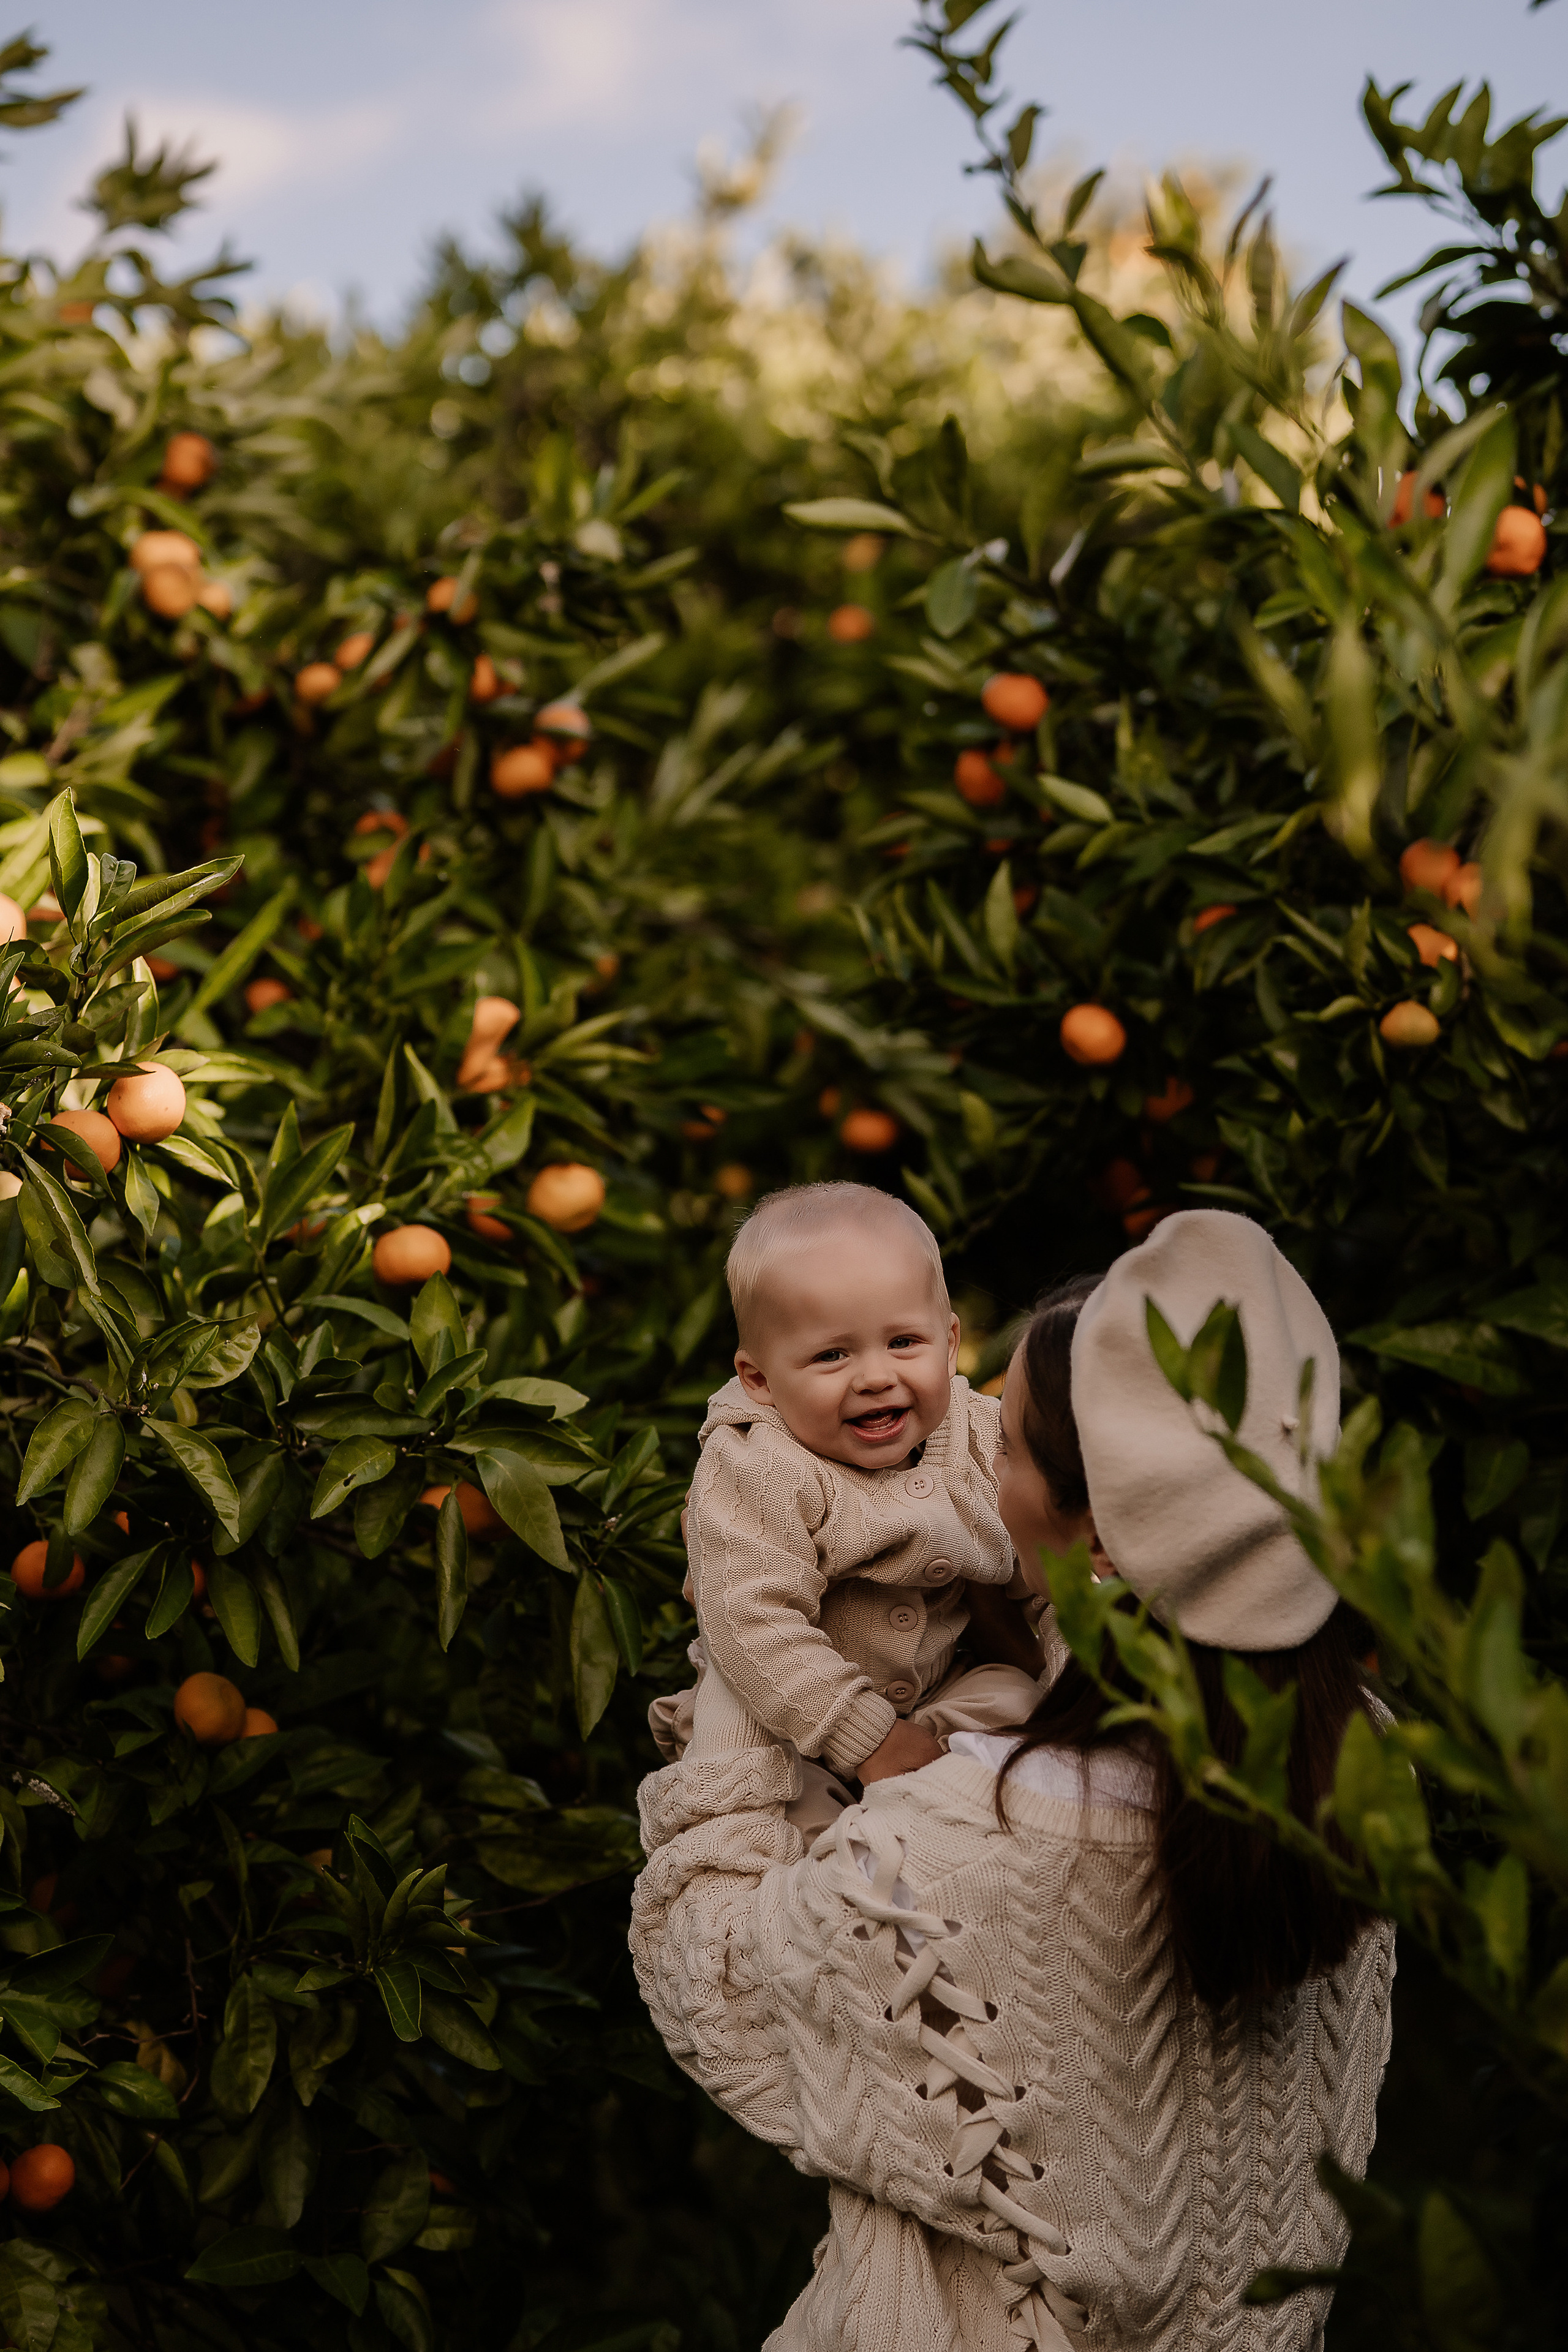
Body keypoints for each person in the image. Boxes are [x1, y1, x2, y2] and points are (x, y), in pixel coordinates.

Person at [631, 1210, 1394, 2351]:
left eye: (1015, 1451)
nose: (982, 1477)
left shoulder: (941, 1848)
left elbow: (715, 1973)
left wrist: (744, 1665)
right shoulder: (1357, 1770)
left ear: (1096, 1538)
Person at [650, 1183, 1049, 1831]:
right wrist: (868, 1738)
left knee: (1019, 1711)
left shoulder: (982, 1435)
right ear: (759, 1379)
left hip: (944, 1688)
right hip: (789, 1718)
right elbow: (754, 1623)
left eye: (902, 1343)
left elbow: (1044, 1566)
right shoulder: (758, 1462)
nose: (874, 1376)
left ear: (949, 1344)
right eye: (832, 1354)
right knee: (771, 1819)